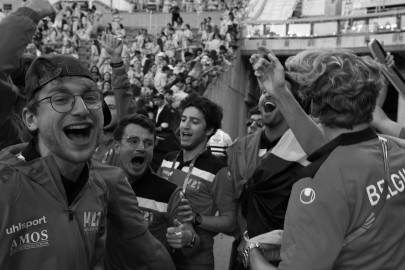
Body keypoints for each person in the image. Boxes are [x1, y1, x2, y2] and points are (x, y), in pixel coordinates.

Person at [247, 49, 405, 269]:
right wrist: (280, 92)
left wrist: (251, 252)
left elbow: (331, 162)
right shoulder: (395, 151)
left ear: (315, 109)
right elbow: (329, 150)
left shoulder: (317, 185)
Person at [104, 113, 200, 269]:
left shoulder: (170, 194)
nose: (141, 148)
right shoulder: (99, 185)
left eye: (148, 143)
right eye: (133, 141)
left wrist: (187, 239)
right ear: (116, 147)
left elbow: (193, 242)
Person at [158, 93, 237, 270]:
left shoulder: (219, 170)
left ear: (209, 130)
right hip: (160, 257)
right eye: (184, 119)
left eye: (194, 122)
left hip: (196, 262)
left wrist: (196, 218)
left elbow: (230, 223)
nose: (185, 125)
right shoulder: (167, 160)